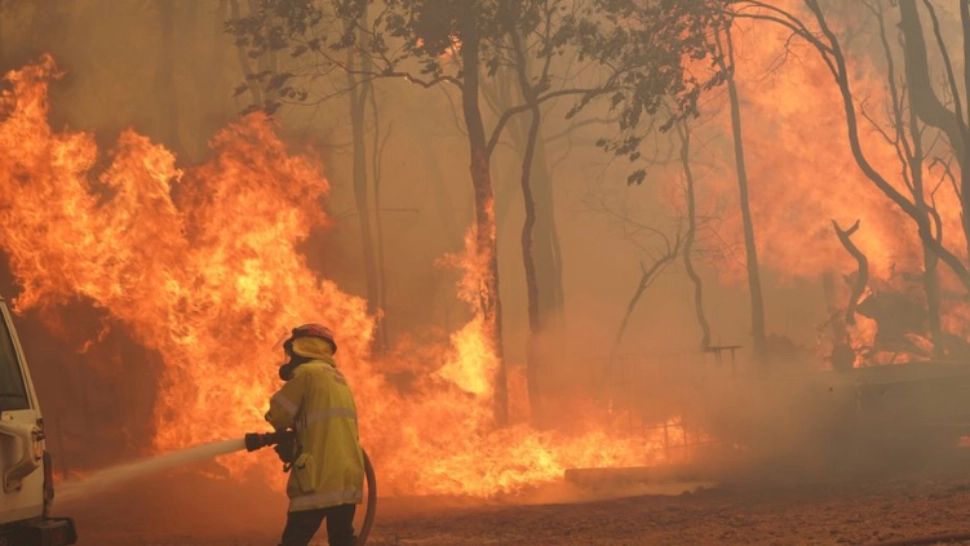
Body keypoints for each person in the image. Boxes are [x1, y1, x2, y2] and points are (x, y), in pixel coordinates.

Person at [265, 324, 365, 546]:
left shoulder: (306, 374)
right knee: (342, 539)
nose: (289, 359)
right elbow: (324, 429)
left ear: (302, 348)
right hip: (347, 476)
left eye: (291, 352)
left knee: (293, 541)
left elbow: (278, 416)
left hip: (317, 478)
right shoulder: (339, 379)